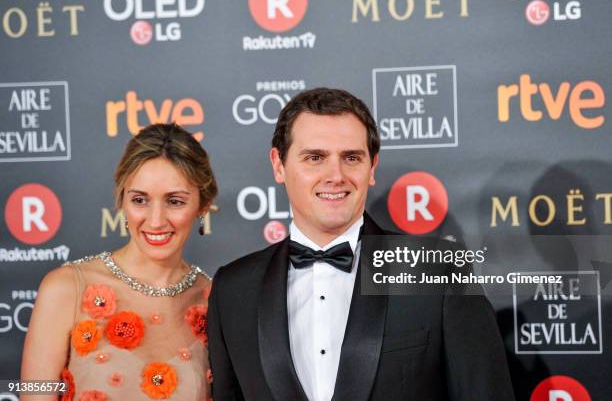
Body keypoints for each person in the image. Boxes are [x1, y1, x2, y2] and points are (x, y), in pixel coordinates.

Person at [208, 88, 515, 400]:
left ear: (372, 167)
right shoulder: (233, 289)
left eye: (351, 158)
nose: (336, 175)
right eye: (315, 158)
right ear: (278, 164)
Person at [21, 123, 217, 400]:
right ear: (122, 200)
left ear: (203, 205)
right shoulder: (66, 288)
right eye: (140, 200)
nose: (156, 220)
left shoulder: (215, 301)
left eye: (174, 201)